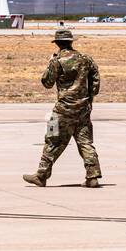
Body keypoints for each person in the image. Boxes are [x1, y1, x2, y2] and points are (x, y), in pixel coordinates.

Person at [24, 29, 102, 188]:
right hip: (83, 108)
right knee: (85, 142)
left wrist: (50, 64)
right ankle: (92, 176)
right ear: (71, 42)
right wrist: (89, 98)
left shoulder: (57, 61)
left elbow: (47, 83)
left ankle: (41, 175)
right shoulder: (85, 59)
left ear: (58, 44)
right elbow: (95, 80)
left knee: (52, 140)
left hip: (62, 109)